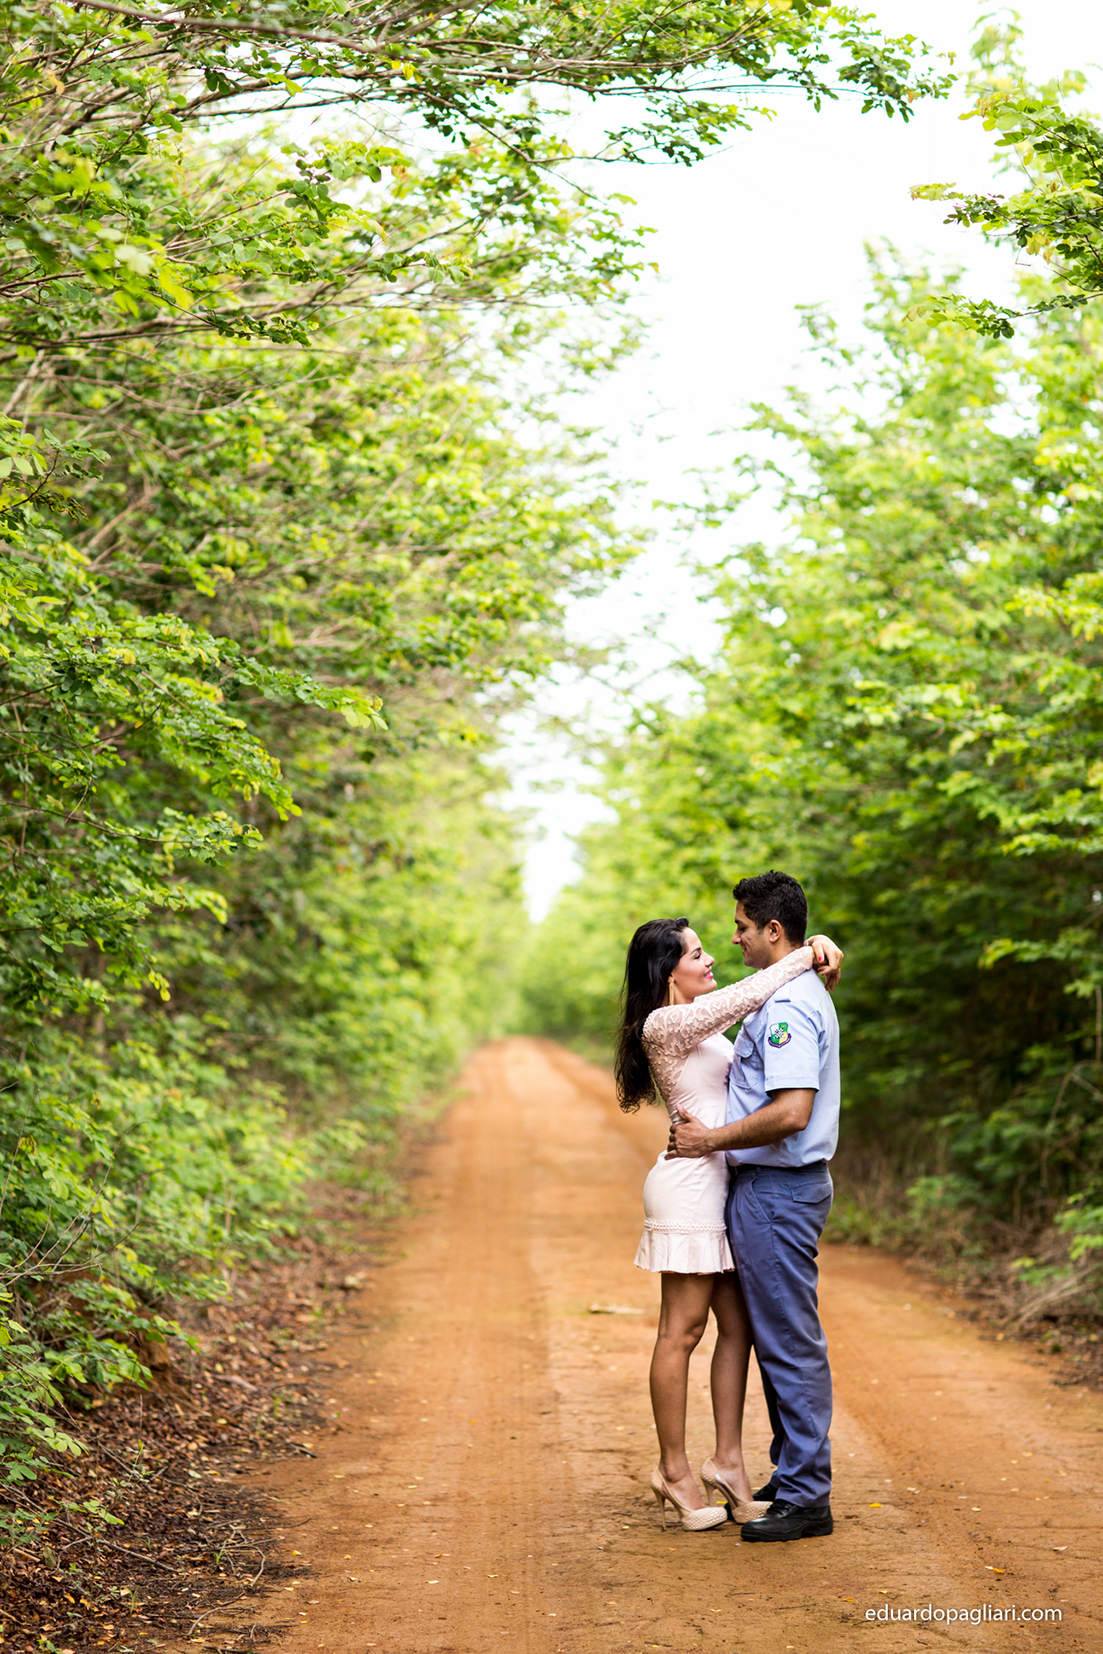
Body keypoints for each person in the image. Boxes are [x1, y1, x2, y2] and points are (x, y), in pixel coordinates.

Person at [615, 916, 843, 1533]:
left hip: (722, 1183)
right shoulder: (664, 1023)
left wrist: (807, 955)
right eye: (696, 952)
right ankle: (673, 1469)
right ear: (668, 971)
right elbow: (749, 995)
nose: (711, 957)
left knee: (738, 1329)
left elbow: (765, 1034)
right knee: (681, 1332)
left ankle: (730, 1463)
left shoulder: (701, 1021)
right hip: (689, 1188)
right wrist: (808, 952)